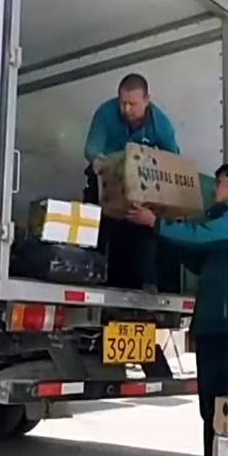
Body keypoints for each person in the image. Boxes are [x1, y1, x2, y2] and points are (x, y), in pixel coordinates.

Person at [126, 162, 228, 456]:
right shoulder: (218, 226)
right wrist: (162, 231)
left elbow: (203, 237)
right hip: (213, 326)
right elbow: (196, 255)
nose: (214, 189)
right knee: (210, 405)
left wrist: (158, 224)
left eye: (219, 182)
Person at [82, 73, 179, 292]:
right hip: (107, 180)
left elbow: (173, 159)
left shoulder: (160, 123)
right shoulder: (106, 113)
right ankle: (91, 274)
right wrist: (103, 163)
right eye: (122, 103)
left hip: (140, 186)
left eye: (132, 104)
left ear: (147, 100)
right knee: (96, 224)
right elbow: (91, 149)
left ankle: (146, 281)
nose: (126, 109)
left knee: (144, 226)